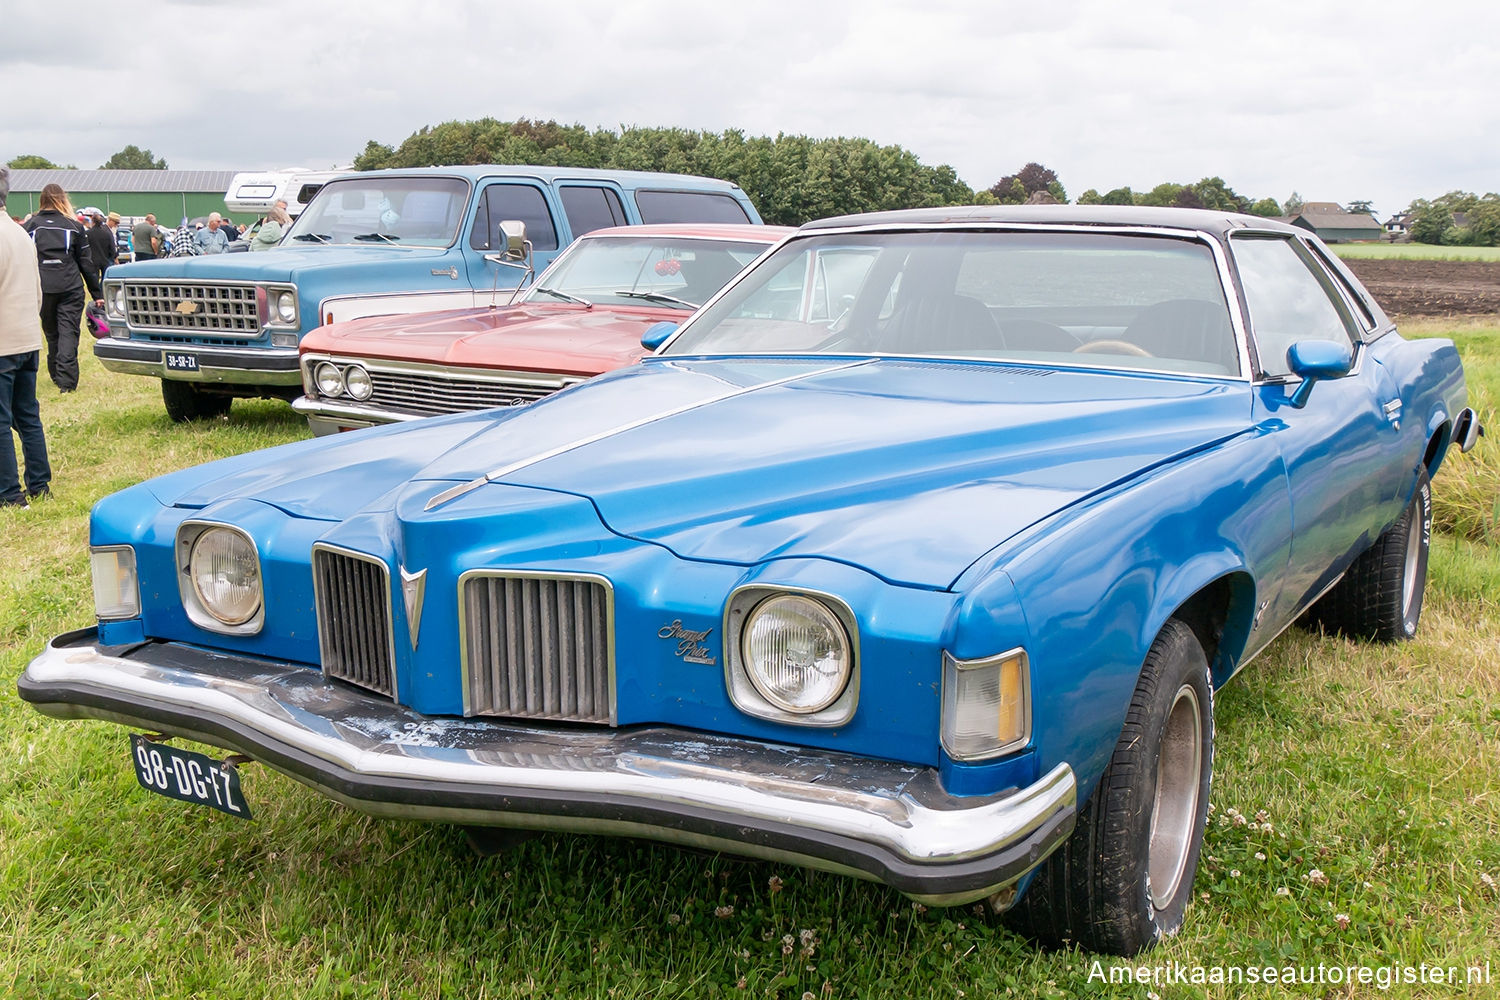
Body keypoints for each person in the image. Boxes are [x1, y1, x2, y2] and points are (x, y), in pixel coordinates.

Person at [0, 168, 51, 508]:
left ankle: (8, 494)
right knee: (27, 415)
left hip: (3, 341)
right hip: (27, 336)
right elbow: (37, 291)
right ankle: (40, 484)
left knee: (2, 421)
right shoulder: (19, 233)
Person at [22, 182, 101, 393]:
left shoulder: (29, 227)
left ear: (42, 200)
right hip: (70, 286)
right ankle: (66, 382)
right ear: (63, 199)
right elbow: (86, 262)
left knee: (51, 332)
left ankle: (57, 375)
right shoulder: (74, 226)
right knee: (68, 331)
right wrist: (97, 293)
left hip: (42, 287)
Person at [85, 209, 116, 289]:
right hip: (105, 259)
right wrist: (112, 257)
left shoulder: (88, 233)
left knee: (94, 279)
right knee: (104, 279)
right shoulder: (107, 233)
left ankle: (96, 294)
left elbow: (85, 247)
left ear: (93, 222)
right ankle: (102, 292)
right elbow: (112, 248)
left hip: (93, 260)